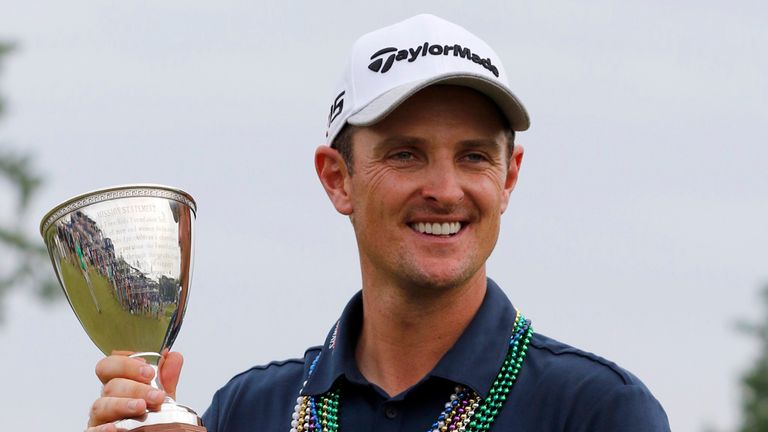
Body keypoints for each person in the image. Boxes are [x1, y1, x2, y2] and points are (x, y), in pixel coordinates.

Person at [86, 14, 670, 432]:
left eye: (473, 156)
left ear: (509, 177)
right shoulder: (249, 410)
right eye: (406, 154)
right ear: (338, 178)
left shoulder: (598, 411)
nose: (445, 191)